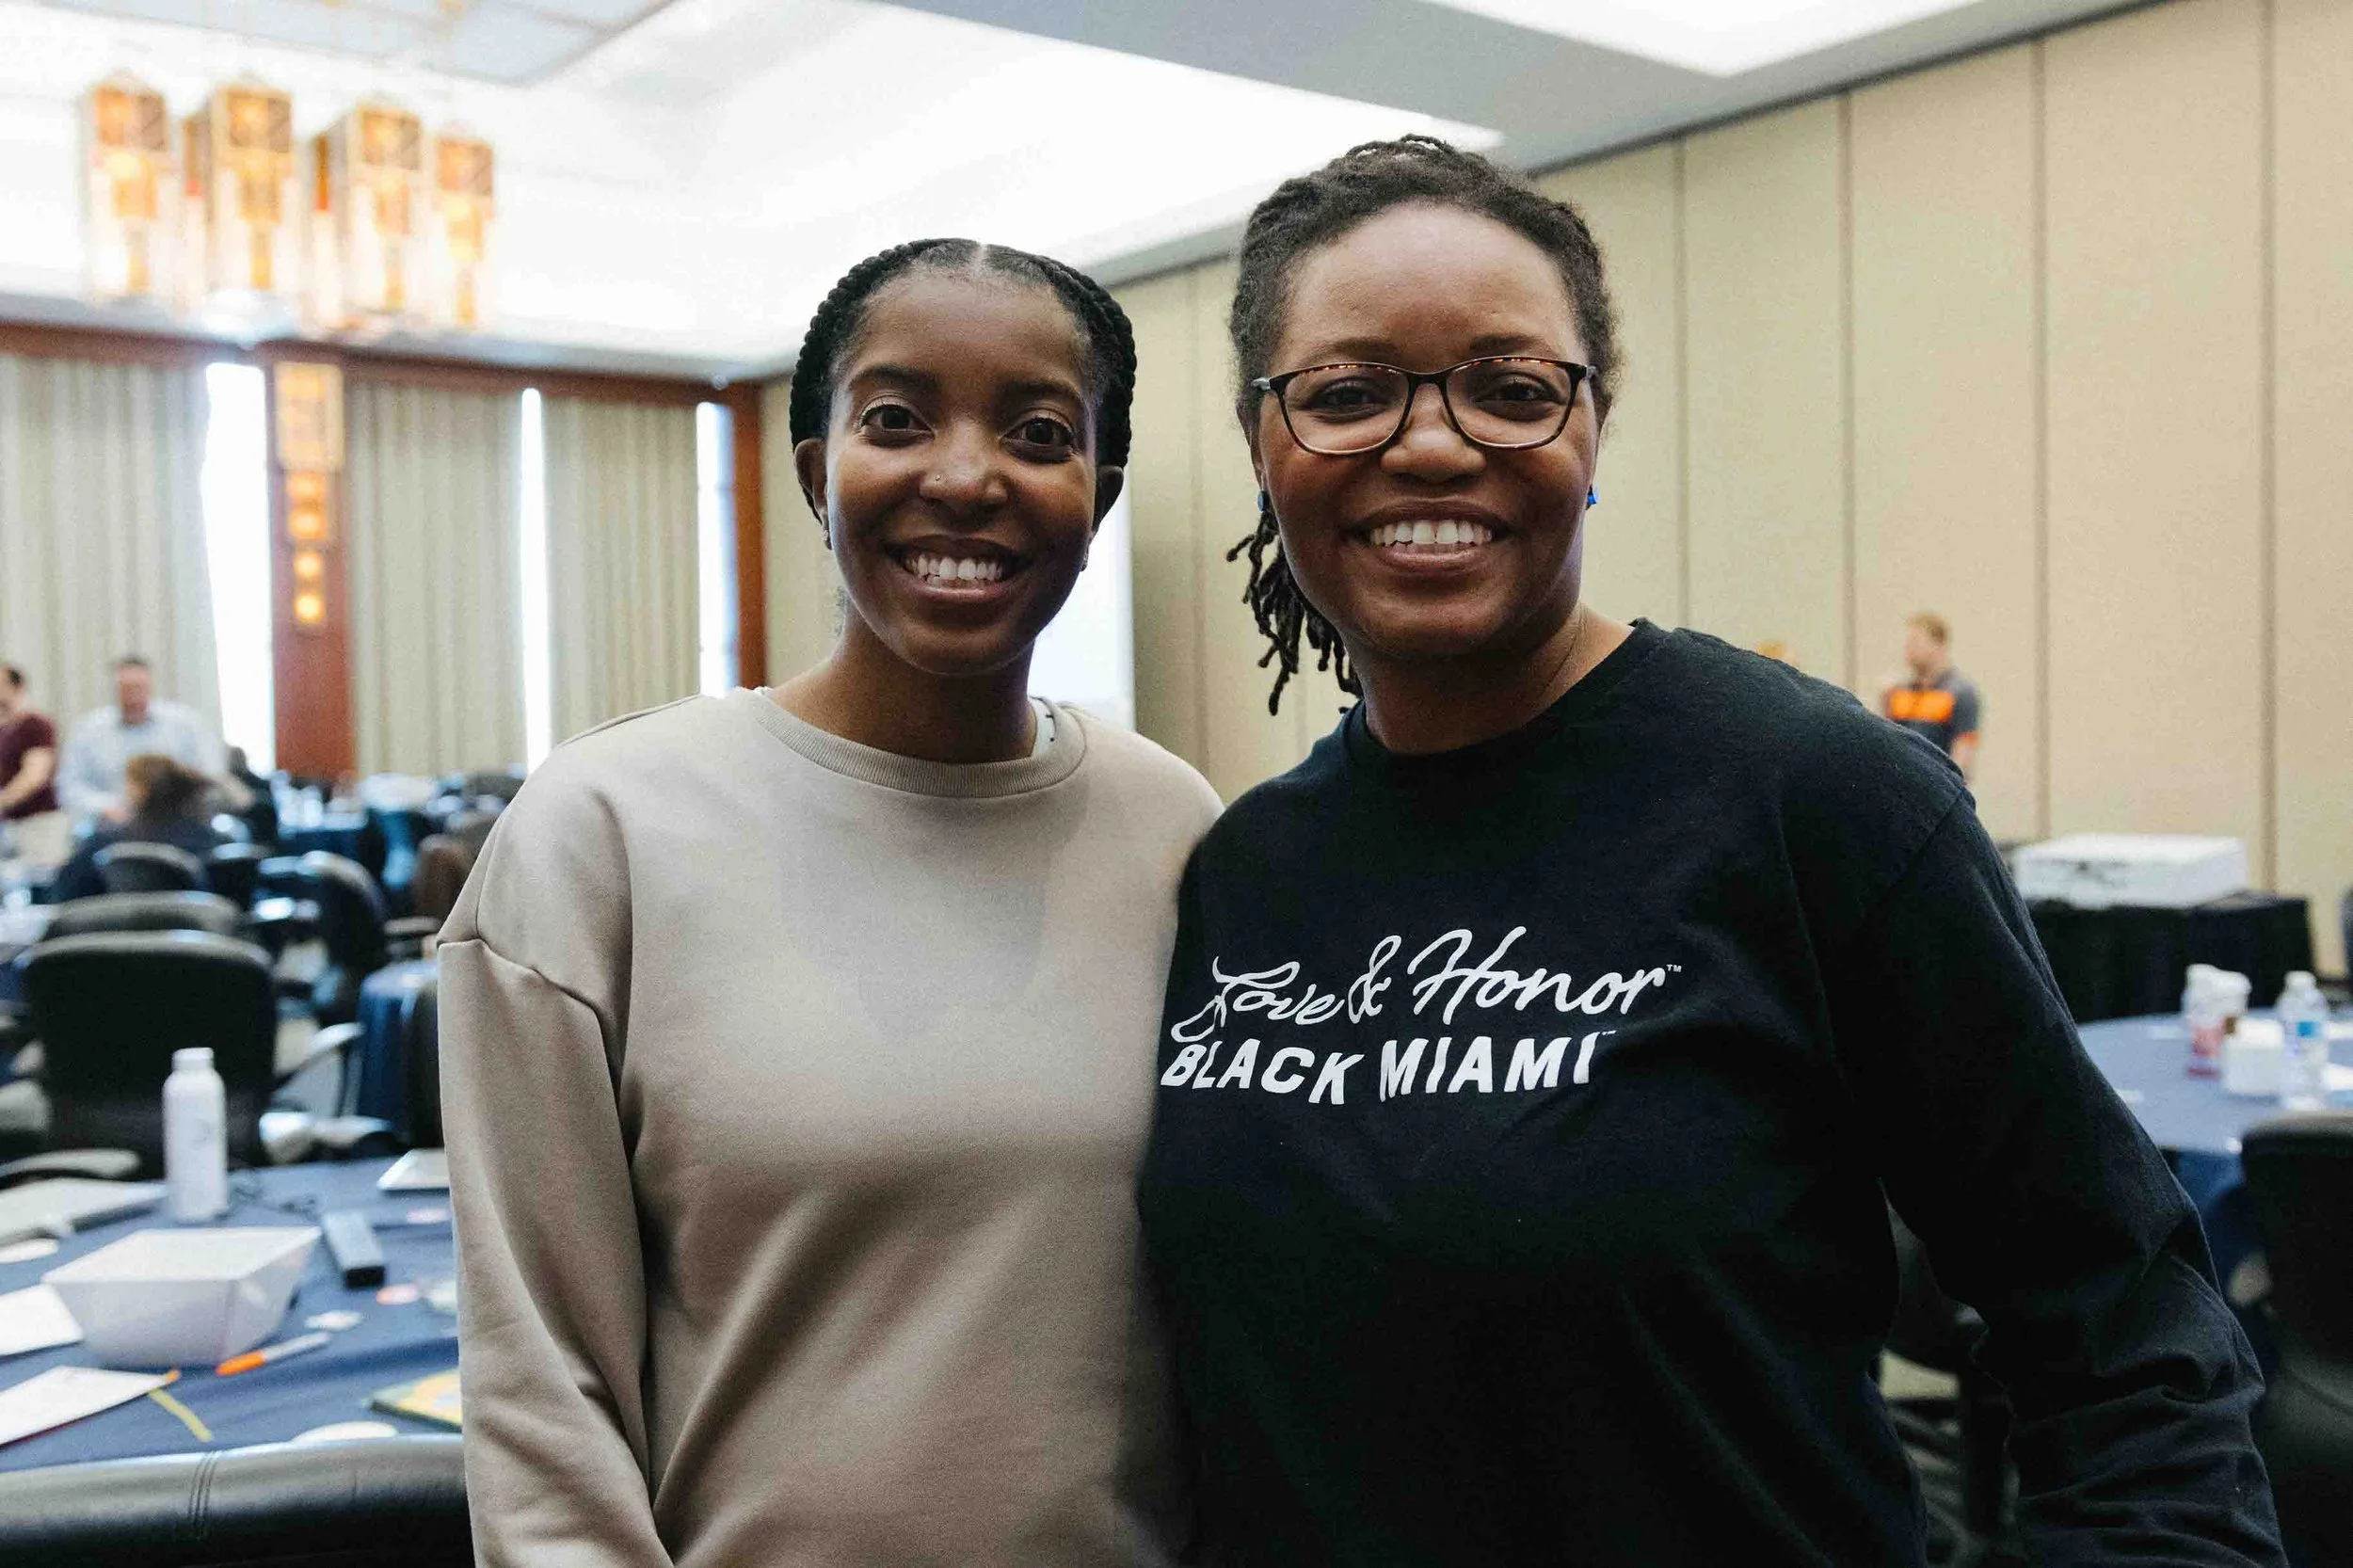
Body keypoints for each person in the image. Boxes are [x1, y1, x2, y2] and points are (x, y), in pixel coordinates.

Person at [1137, 137, 2281, 1565]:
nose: (1431, 442)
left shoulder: (1817, 795)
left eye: (1509, 388)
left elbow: (2126, 1330)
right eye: (1350, 392)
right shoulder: (1242, 870)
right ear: (1264, 440)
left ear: (1592, 429)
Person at [440, 239, 1221, 1567]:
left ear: (1097, 493)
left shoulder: (1180, 830)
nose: (965, 476)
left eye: (1037, 431)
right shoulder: (603, 833)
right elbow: (540, 1391)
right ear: (817, 471)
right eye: (896, 419)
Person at [56, 655, 228, 826]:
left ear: (150, 687)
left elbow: (211, 774)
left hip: (181, 821)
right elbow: (69, 787)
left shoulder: (186, 724)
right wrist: (106, 806)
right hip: (111, 826)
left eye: (138, 688)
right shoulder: (87, 730)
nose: (133, 696)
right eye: (126, 689)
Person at [48, 754, 224, 903]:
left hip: (117, 937)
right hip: (201, 937)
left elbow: (65, 898)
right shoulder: (214, 842)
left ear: (139, 790)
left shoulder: (104, 844)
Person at [1883, 611, 1982, 778]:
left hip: (1938, 792)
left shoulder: (1959, 693)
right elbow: (1889, 750)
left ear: (1939, 645)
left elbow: (1962, 762)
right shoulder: (1899, 693)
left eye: (1915, 642)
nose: (1908, 649)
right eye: (1907, 643)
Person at [0, 665, 69, 868]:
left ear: (17, 687)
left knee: (42, 887)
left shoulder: (36, 726)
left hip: (40, 825)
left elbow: (34, 777)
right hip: (10, 825)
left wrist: (2, 800)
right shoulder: (4, 731)